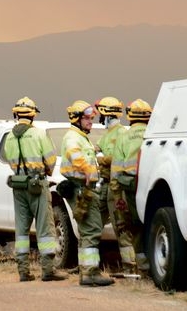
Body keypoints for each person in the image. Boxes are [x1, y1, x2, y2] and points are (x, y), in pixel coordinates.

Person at [3, 97, 68, 282]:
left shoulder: (9, 137)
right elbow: (50, 160)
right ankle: (48, 270)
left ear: (16, 115)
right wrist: (45, 172)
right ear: (32, 115)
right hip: (37, 185)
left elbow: (9, 160)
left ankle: (23, 271)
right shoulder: (39, 134)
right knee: (45, 228)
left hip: (18, 185)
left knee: (21, 230)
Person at [60, 100, 114, 287]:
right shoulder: (73, 138)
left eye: (92, 118)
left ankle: (86, 271)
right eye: (87, 118)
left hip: (83, 188)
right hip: (81, 189)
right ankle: (91, 273)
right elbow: (76, 156)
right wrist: (88, 170)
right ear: (76, 119)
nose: (91, 121)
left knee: (86, 231)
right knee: (92, 229)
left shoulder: (81, 137)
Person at [111, 99, 152, 275]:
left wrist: (116, 196)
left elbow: (116, 170)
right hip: (152, 187)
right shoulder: (154, 135)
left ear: (130, 116)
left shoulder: (123, 137)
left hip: (130, 189)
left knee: (136, 227)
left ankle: (143, 268)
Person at [94, 96, 129, 269]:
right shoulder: (107, 134)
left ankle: (129, 266)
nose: (100, 119)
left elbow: (118, 157)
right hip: (104, 185)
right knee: (93, 224)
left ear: (108, 115)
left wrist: (102, 160)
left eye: (101, 115)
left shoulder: (122, 133)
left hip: (115, 187)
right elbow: (97, 148)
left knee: (120, 226)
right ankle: (89, 264)